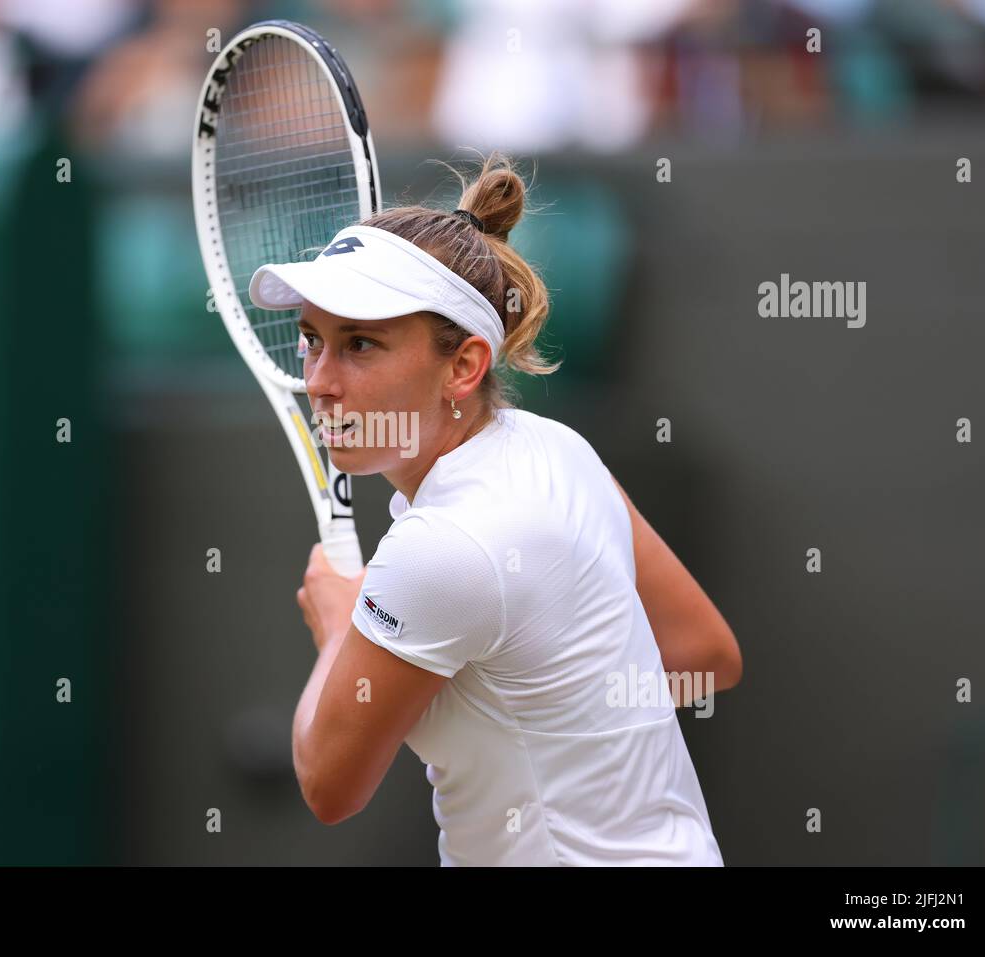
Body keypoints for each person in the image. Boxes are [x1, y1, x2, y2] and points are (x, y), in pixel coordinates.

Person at [249, 152, 742, 866]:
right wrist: (533, 700)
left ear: (464, 365)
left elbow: (328, 784)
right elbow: (704, 655)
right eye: (312, 340)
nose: (319, 381)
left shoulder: (439, 545)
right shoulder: (560, 451)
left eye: (360, 343)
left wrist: (338, 632)